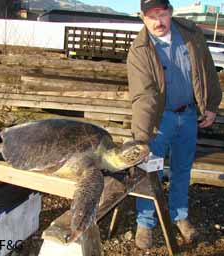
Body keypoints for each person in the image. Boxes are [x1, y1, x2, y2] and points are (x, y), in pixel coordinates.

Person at [127, 0, 222, 250]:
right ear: (142, 18)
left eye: (162, 14)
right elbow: (143, 95)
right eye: (151, 16)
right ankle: (145, 222)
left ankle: (180, 216)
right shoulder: (140, 50)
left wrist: (211, 105)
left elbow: (208, 72)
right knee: (149, 171)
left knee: (182, 170)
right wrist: (142, 137)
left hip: (189, 115)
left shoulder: (191, 37)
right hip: (159, 121)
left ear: (171, 13)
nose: (158, 22)